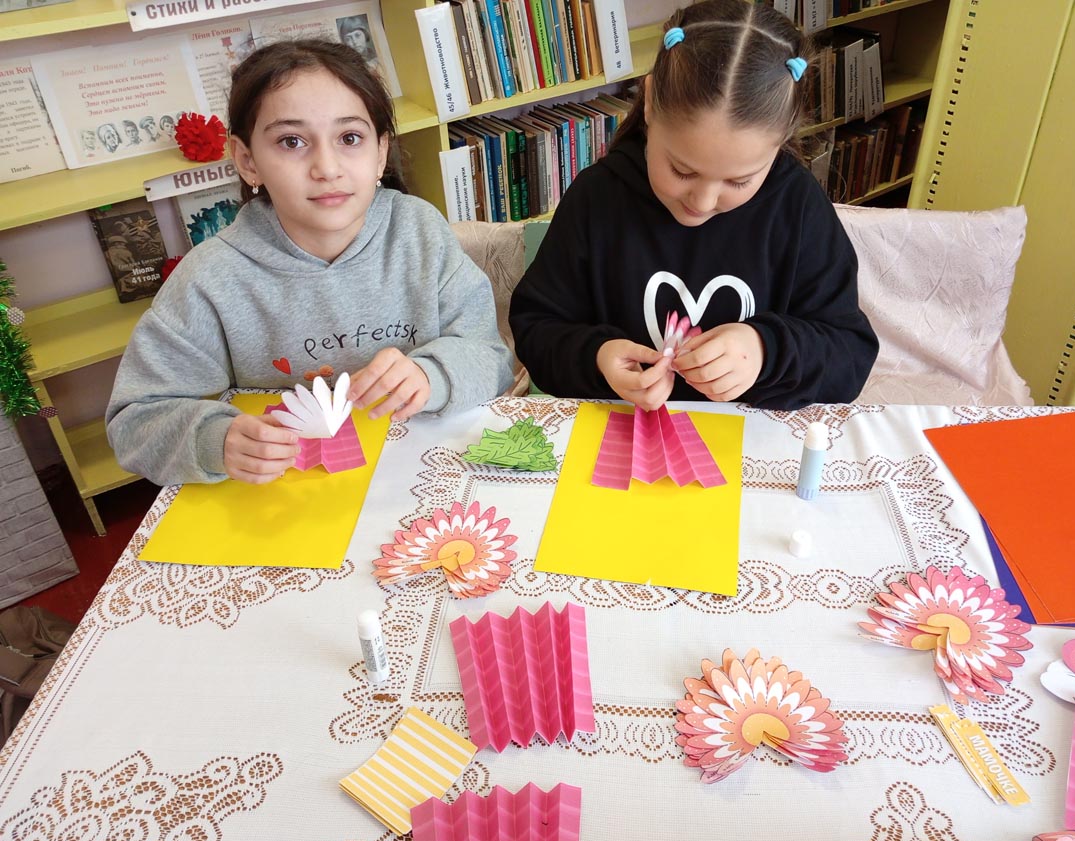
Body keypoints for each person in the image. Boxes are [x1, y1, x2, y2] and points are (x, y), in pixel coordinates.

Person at [107, 39, 513, 486]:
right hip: (288, 491)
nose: (327, 167)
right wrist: (213, 440)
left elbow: (491, 360)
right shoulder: (210, 278)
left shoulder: (420, 231)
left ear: (380, 152)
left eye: (350, 138)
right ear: (247, 161)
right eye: (292, 141)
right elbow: (134, 422)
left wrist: (431, 374)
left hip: (418, 476)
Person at [508, 0, 877, 412]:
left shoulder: (798, 207)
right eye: (682, 170)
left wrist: (765, 350)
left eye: (739, 181)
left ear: (779, 144)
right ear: (650, 102)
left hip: (751, 441)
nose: (702, 202)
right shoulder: (598, 198)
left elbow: (850, 354)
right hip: (624, 430)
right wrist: (597, 358)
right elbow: (535, 329)